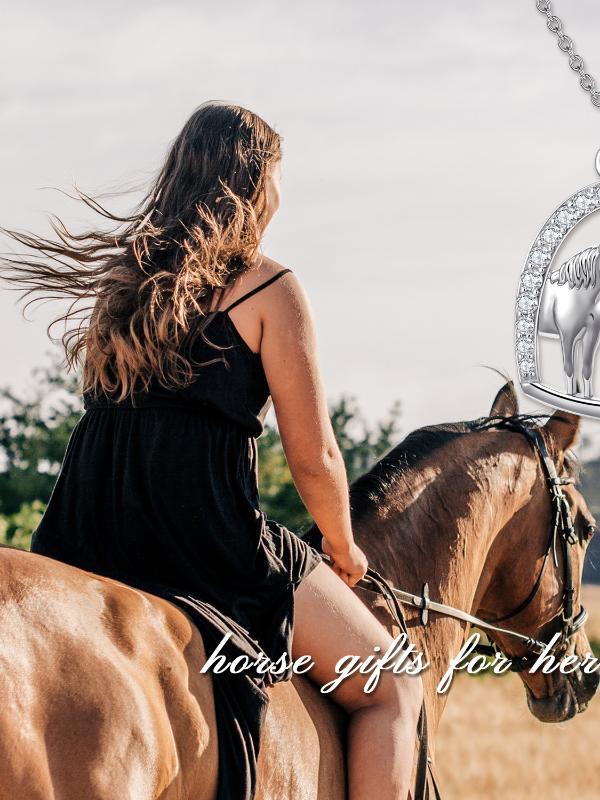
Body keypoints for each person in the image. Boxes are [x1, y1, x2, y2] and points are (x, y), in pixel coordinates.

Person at [1, 101, 422, 800]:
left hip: (89, 528)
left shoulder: (123, 281)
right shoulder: (268, 287)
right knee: (392, 684)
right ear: (256, 182)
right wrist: (344, 548)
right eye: (278, 178)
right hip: (203, 538)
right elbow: (314, 455)